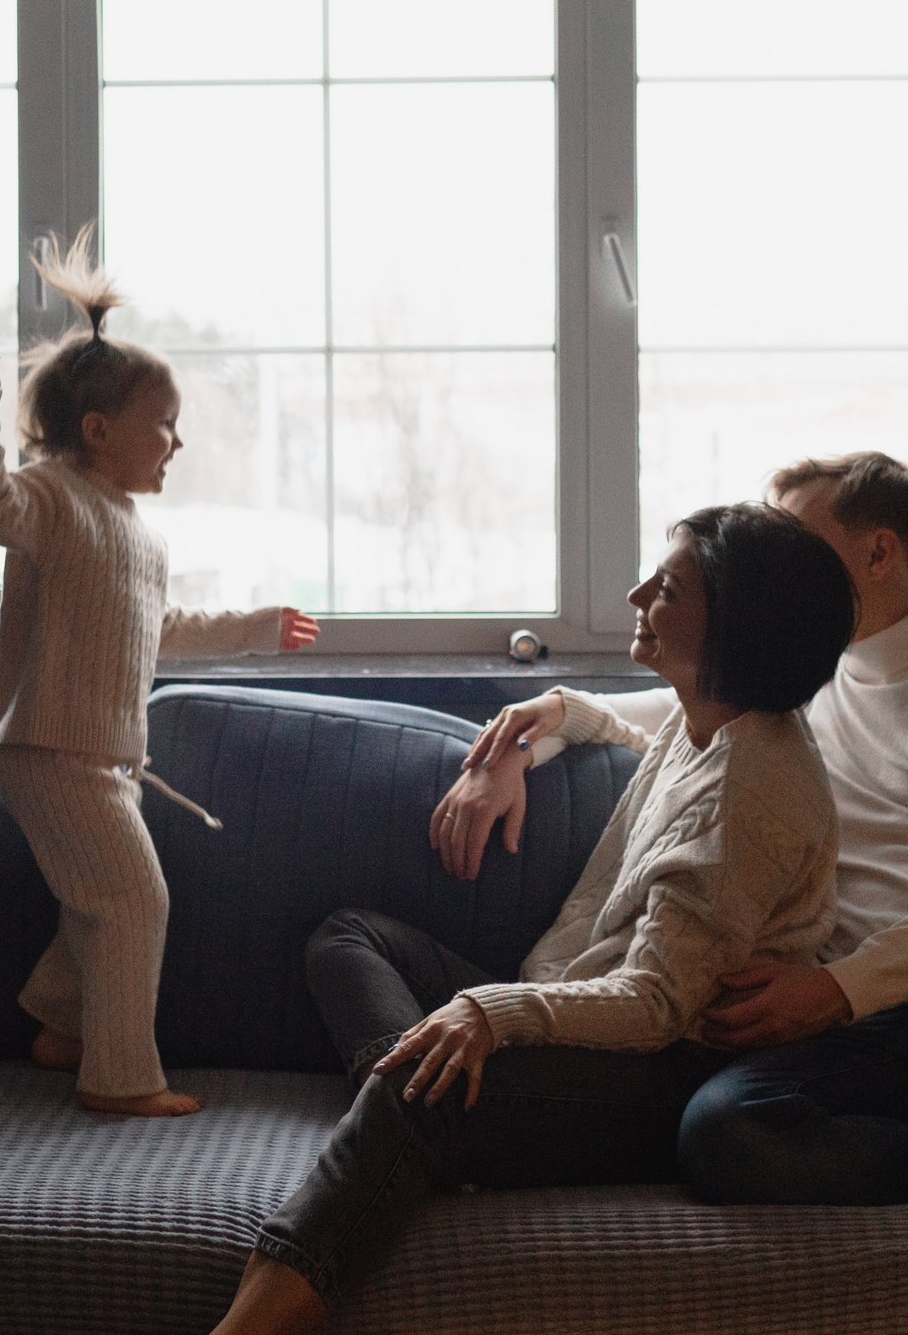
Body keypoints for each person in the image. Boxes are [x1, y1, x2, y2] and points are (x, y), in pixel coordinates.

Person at [209, 503, 855, 1333]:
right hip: (579, 1009)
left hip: (660, 1069)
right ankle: (430, 1133)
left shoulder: (751, 791)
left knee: (421, 1091)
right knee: (350, 936)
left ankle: (391, 1156)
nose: (633, 595)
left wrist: (490, 1010)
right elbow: (628, 738)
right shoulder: (712, 723)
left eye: (665, 589)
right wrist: (543, 724)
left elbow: (658, 1005)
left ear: (734, 625)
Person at [0, 231, 318, 1118]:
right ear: (99, 431)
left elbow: (159, 631)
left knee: (98, 901)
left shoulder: (135, 530)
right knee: (131, 899)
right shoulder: (50, 496)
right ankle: (118, 1077)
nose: (177, 442)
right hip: (49, 750)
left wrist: (259, 628)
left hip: (96, 758)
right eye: (164, 424)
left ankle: (61, 1026)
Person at [677, 453, 908, 1203]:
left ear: (878, 552)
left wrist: (838, 989)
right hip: (829, 1003)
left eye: (797, 541)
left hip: (876, 998)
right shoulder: (822, 668)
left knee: (728, 1130)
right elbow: (695, 714)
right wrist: (550, 717)